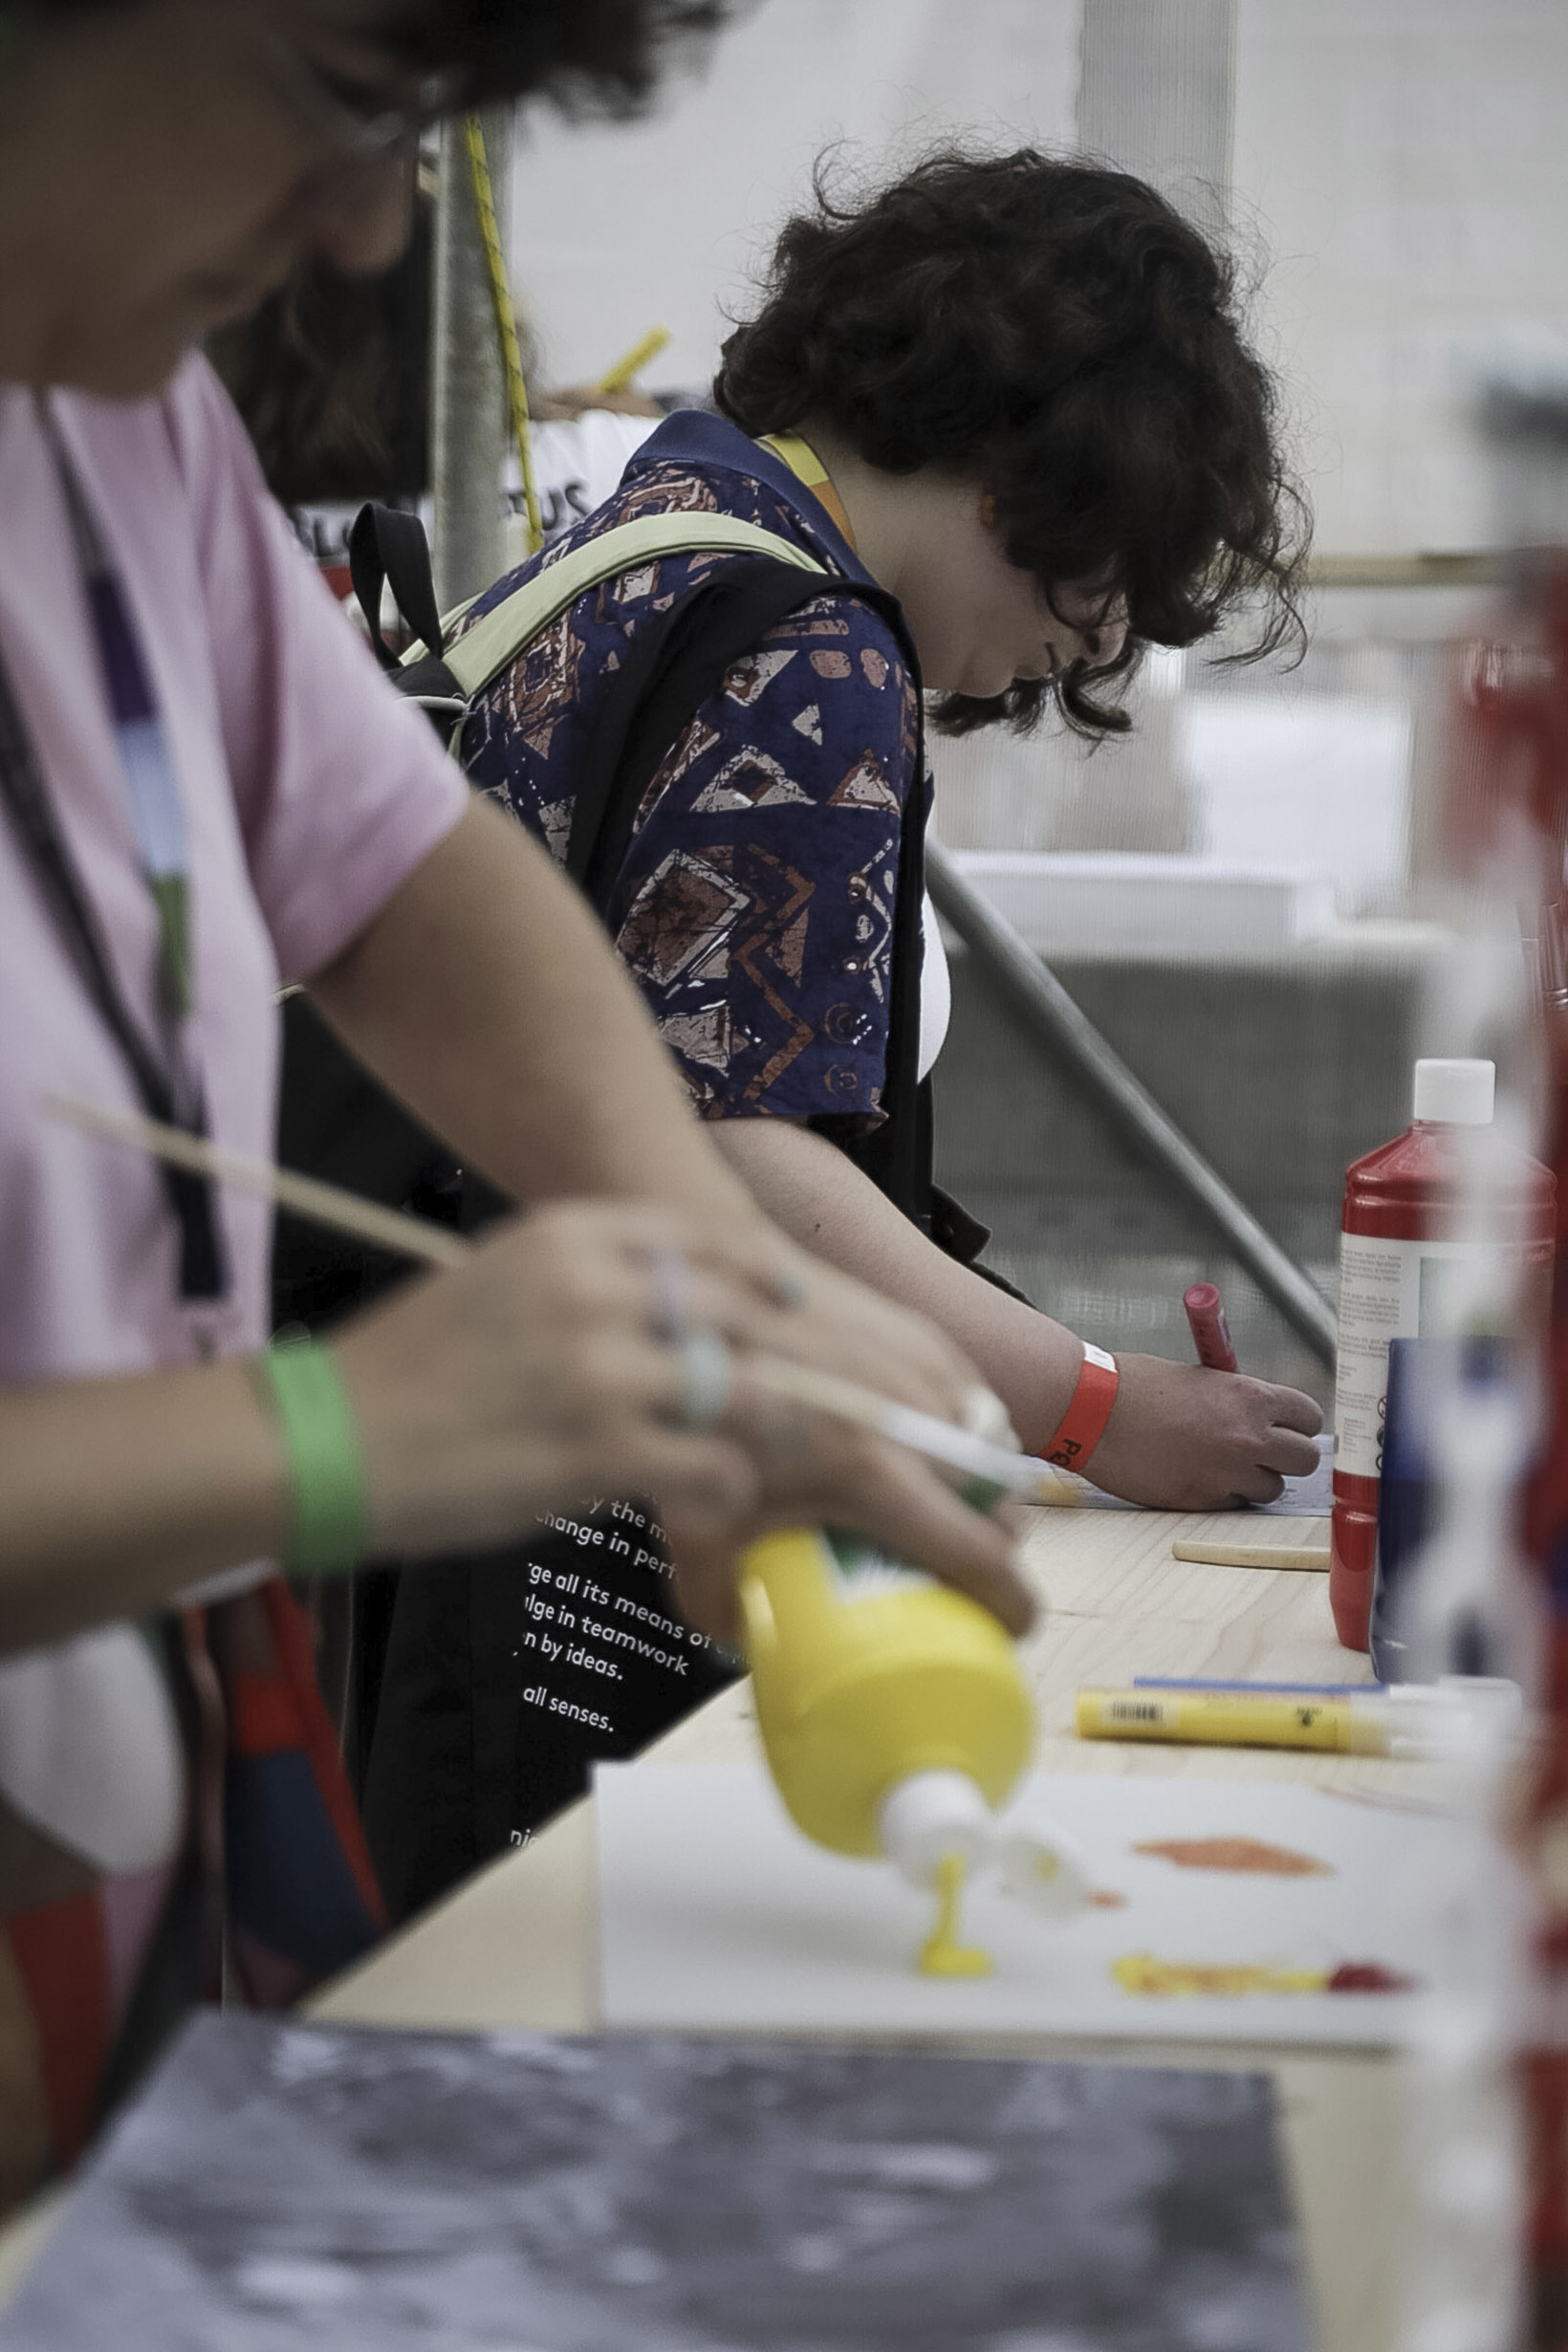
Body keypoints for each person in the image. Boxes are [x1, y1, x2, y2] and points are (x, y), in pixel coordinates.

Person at [0, 0, 1030, 2206]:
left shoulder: (113, 416)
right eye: (341, 97)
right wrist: (326, 1436)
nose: (370, 228)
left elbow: (401, 875)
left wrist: (712, 1281)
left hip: (116, 1815)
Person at [359, 146, 1327, 1904]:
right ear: (1043, 481)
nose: (1089, 645)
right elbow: (733, 1149)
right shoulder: (813, 650)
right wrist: (1095, 1404)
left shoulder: (651, 533)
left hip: (441, 1439)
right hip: (595, 1507)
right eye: (1105, 589)